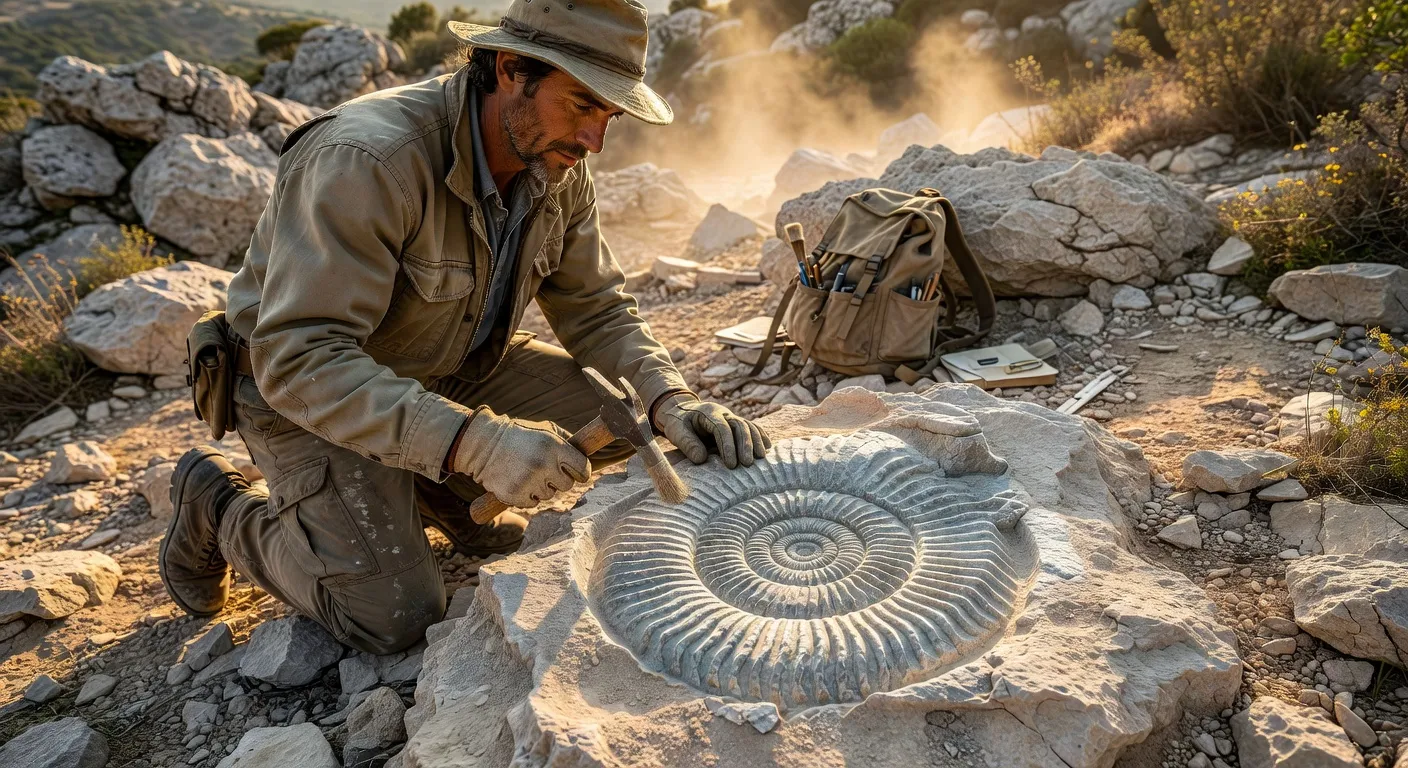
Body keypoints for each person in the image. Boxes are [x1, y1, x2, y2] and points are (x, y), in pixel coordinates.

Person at [159, 0, 770, 655]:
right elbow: (299, 358)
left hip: (442, 365)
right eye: (582, 105)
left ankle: (433, 489)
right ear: (511, 69)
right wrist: (477, 445)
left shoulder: (558, 164)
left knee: (621, 419)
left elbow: (596, 309)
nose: (595, 141)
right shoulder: (367, 159)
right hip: (309, 395)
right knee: (396, 617)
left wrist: (667, 397)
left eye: (609, 116)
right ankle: (220, 505)